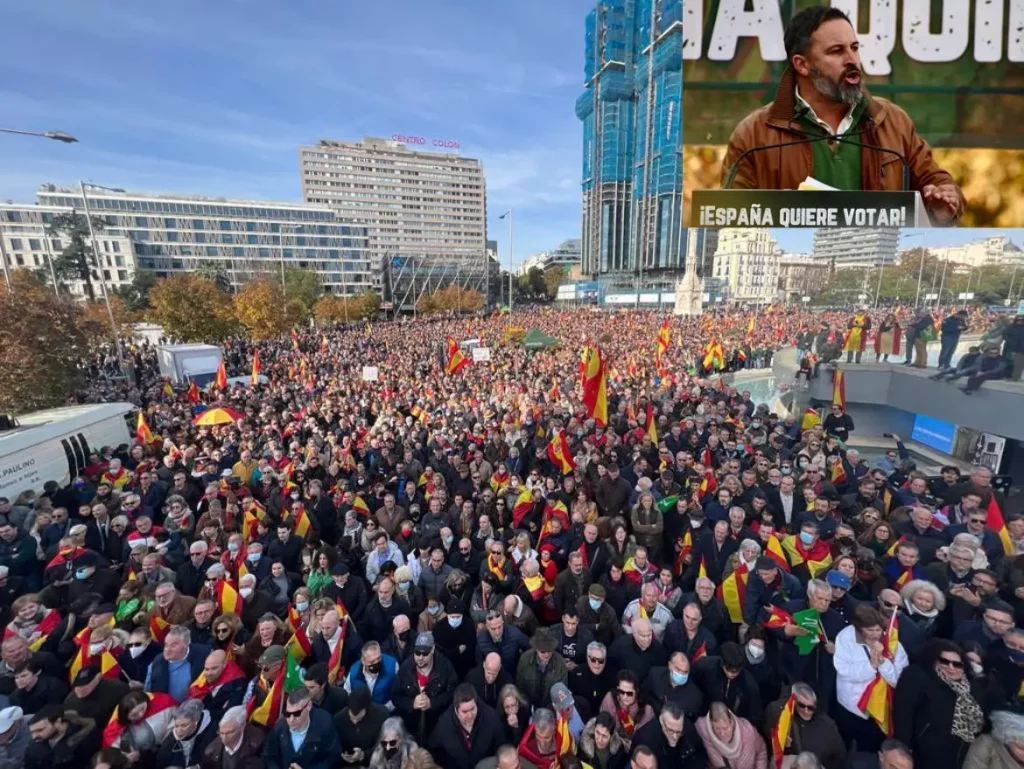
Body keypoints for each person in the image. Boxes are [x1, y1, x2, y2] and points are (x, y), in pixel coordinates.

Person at [720, 6, 964, 223]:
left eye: (854, 48)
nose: (852, 60)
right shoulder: (753, 136)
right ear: (802, 65)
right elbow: (727, 219)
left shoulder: (892, 121)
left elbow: (938, 182)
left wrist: (944, 204)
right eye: (837, 51)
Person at [893, 639, 987, 769]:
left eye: (957, 664)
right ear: (933, 660)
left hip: (961, 757)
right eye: (944, 662)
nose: (951, 667)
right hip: (923, 755)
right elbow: (903, 715)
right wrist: (903, 749)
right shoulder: (917, 677)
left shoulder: (973, 687)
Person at [834, 604, 908, 752]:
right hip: (851, 706)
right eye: (870, 630)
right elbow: (844, 670)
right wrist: (871, 667)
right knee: (843, 745)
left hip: (879, 710)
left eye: (878, 630)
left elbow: (899, 680)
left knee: (871, 749)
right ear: (859, 629)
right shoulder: (845, 637)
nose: (875, 634)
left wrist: (881, 663)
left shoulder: (893, 644)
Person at [429, 683, 504, 769]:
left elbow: (501, 746)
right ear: (456, 710)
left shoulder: (491, 717)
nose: (470, 715)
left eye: (472, 709)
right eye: (465, 712)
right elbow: (433, 750)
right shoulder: (444, 724)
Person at [262, 687, 340, 769]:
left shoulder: (325, 723)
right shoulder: (279, 727)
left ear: (309, 706)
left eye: (297, 713)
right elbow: (269, 756)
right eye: (287, 714)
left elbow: (332, 757)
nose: (291, 720)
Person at [631, 701, 706, 769]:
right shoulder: (644, 738)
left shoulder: (688, 727)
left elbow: (701, 754)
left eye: (678, 732)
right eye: (670, 730)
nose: (675, 737)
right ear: (661, 721)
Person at [695, 701, 768, 769]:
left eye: (725, 728)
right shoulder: (703, 729)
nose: (722, 733)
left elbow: (761, 753)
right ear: (711, 724)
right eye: (717, 728)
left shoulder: (748, 733)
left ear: (731, 722)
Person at [23, 705, 96, 769]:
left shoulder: (84, 739)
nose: (34, 736)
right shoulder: (36, 744)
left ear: (58, 721)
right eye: (32, 732)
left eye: (40, 730)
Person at [200, 703, 266, 769]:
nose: (224, 738)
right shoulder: (211, 751)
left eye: (230, 732)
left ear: (242, 726)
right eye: (221, 733)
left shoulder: (259, 743)